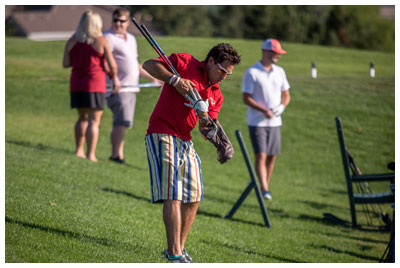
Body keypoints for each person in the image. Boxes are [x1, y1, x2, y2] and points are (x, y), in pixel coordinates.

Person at [143, 44, 241, 262]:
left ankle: (179, 249)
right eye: (222, 71)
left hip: (185, 140)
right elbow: (149, 65)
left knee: (194, 196)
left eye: (228, 74)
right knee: (173, 194)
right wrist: (175, 80)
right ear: (211, 61)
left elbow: (206, 130)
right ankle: (175, 253)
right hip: (162, 132)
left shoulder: (216, 94)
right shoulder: (184, 62)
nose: (224, 77)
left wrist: (206, 118)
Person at [63, 10, 121, 162]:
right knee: (94, 121)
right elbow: (112, 65)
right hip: (95, 85)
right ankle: (91, 155)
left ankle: (78, 150)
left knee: (81, 118)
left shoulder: (72, 40)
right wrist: (114, 77)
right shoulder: (101, 41)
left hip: (76, 84)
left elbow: (66, 63)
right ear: (97, 24)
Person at [104, 8, 161, 164]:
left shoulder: (131, 39)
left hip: (131, 88)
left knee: (125, 123)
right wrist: (114, 78)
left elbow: (135, 66)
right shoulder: (107, 38)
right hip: (118, 88)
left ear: (128, 22)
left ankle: (118, 154)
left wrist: (154, 77)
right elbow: (105, 64)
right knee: (122, 121)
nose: (118, 23)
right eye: (115, 20)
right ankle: (116, 155)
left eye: (121, 21)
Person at [241, 38, 291, 200]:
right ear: (266, 52)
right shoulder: (252, 72)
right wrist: (263, 110)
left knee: (272, 156)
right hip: (257, 122)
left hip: (275, 122)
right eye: (275, 53)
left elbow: (286, 95)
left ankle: (264, 187)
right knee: (261, 155)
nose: (278, 56)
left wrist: (281, 108)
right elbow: (246, 98)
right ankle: (264, 188)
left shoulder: (280, 71)